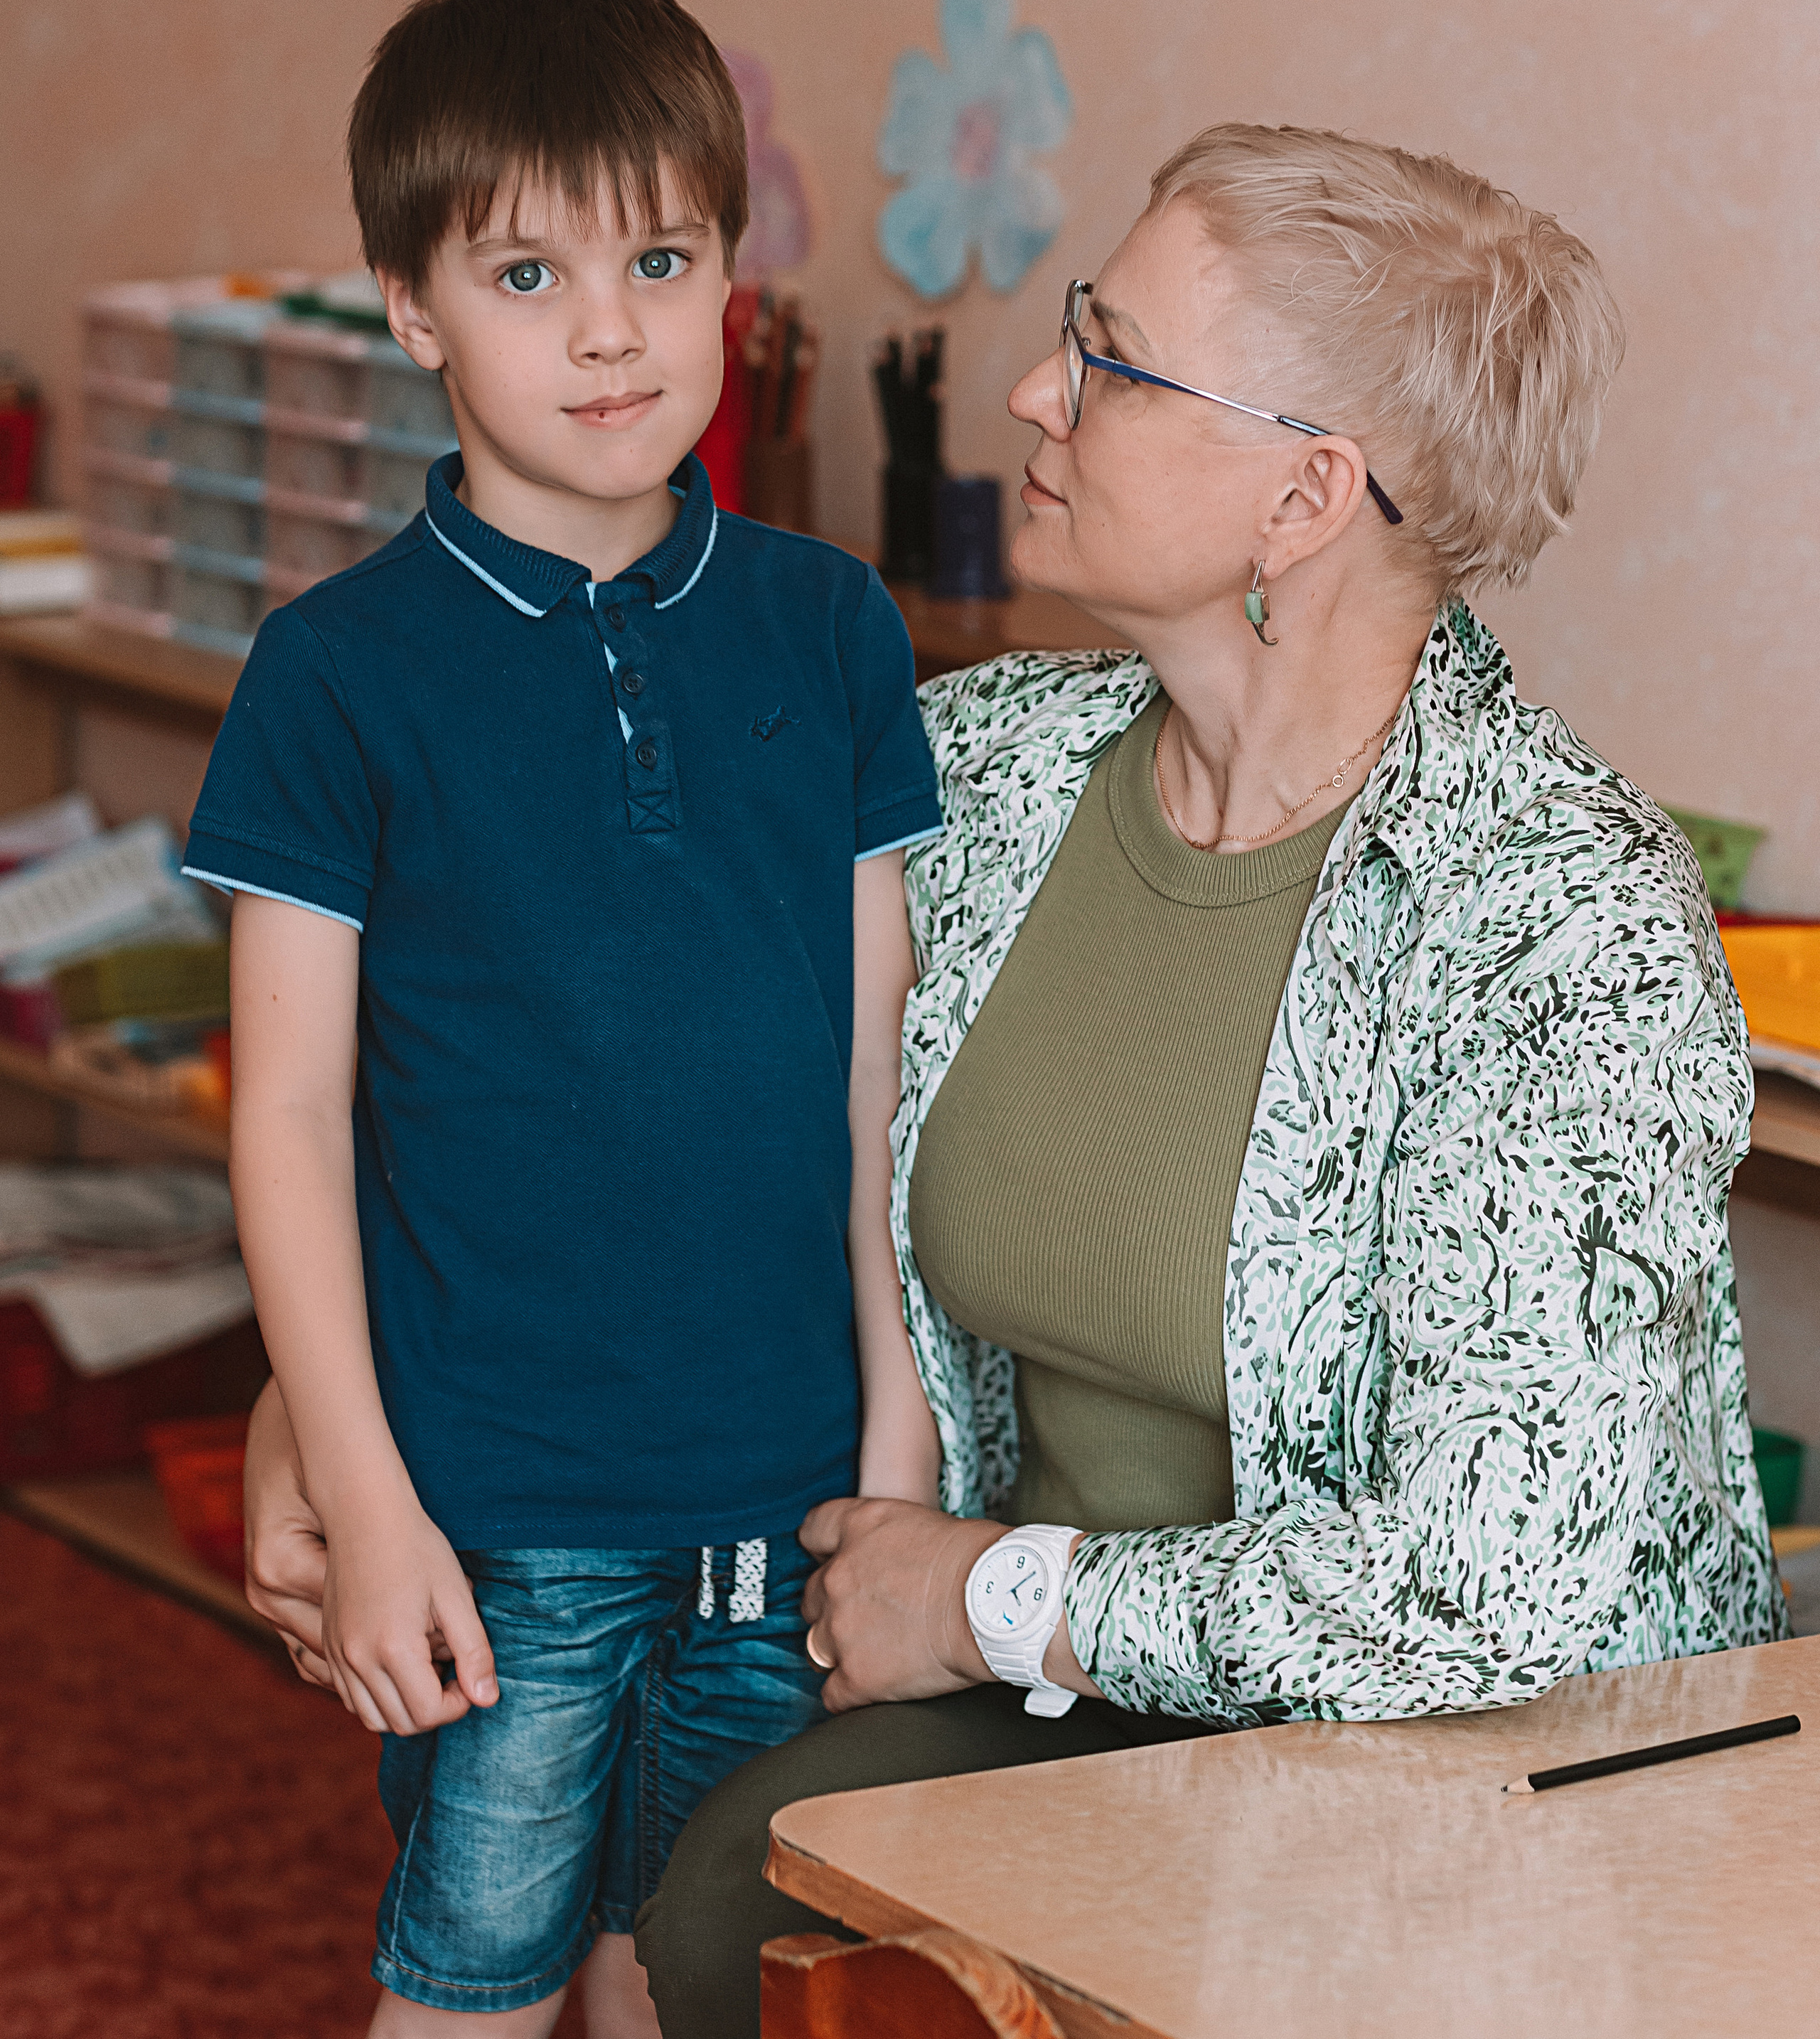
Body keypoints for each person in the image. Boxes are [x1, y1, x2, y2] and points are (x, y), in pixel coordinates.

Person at [248, 124, 1784, 2039]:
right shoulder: (972, 772)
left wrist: (982, 1596)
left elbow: (1497, 1585)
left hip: (1464, 1777)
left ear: (1308, 496)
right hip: (1031, 1699)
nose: (1034, 388)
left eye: (1116, 359)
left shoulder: (1565, 916)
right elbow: (595, 1098)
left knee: (730, 1902)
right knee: (722, 1885)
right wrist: (320, 1408)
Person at [193, 0, 943, 2038]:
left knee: (705, 1981)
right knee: (474, 1989)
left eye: (662, 257)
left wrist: (891, 1449)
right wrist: (355, 1482)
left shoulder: (834, 626)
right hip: (494, 1508)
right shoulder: (335, 674)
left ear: (736, 278)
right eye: (524, 276)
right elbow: (286, 1119)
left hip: (787, 1504)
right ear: (411, 308)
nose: (610, 329)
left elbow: (878, 1075)